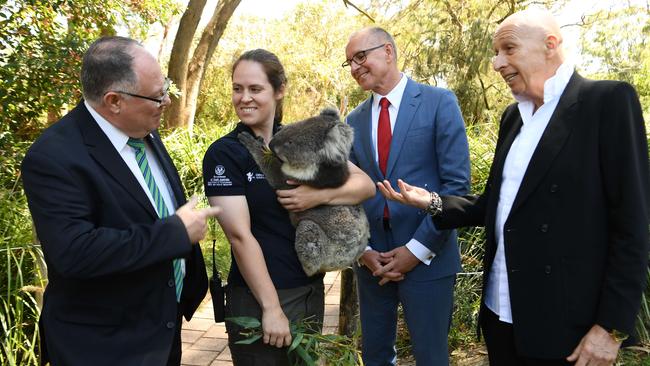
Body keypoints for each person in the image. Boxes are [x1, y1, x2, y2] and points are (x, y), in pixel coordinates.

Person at [378, 8, 649, 366]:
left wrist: (610, 328)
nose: (496, 62)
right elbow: (493, 205)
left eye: (508, 49)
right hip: (499, 317)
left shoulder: (607, 102)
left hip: (568, 329)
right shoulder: (513, 118)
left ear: (550, 45)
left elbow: (633, 225)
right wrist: (430, 201)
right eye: (496, 52)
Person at [21, 36, 221, 366]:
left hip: (160, 329)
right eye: (157, 96)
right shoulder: (53, 157)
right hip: (104, 345)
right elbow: (75, 252)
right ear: (114, 101)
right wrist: (176, 233)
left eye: (165, 89)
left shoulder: (143, 128)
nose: (168, 101)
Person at [202, 48, 374, 365]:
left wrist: (317, 196)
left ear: (279, 91)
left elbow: (365, 185)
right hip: (260, 299)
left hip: (308, 292)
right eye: (237, 88)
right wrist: (271, 309)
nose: (244, 98)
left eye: (255, 89)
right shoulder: (225, 154)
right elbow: (240, 238)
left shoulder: (297, 139)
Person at [343, 27, 471, 365]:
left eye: (360, 57)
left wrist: (416, 251)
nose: (355, 67)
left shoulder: (439, 103)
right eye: (349, 63)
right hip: (373, 264)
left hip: (429, 257)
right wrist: (364, 251)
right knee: (375, 356)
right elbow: (347, 196)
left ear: (387, 51)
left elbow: (456, 188)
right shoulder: (352, 121)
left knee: (431, 358)